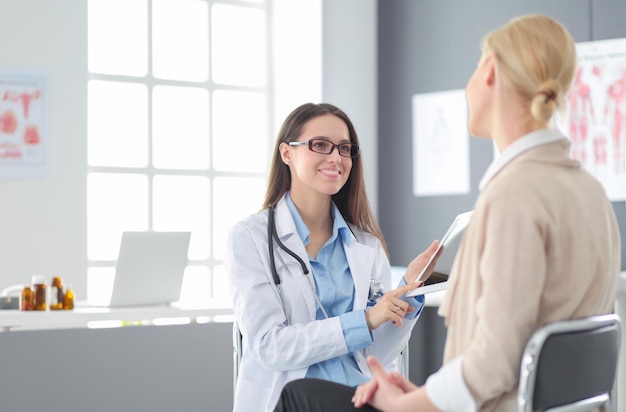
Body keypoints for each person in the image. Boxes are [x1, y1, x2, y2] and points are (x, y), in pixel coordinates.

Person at [272, 14, 621, 412]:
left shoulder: (513, 195)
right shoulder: (590, 190)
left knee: (298, 398)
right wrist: (423, 394)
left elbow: (493, 363)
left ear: (489, 72)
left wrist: (410, 405)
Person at [225, 102, 440, 412]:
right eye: (321, 145)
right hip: (293, 400)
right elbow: (270, 346)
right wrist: (364, 319)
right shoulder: (249, 238)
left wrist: (410, 290)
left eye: (344, 148)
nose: (336, 158)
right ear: (287, 153)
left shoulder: (365, 245)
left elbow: (375, 353)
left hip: (358, 397)